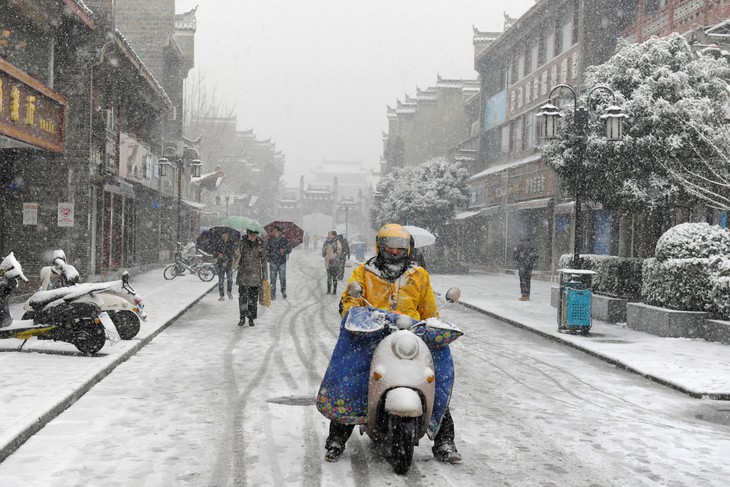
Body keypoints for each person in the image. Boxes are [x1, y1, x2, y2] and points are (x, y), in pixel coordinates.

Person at [322, 223, 461, 464]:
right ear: (379, 245)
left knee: (435, 375)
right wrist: (361, 317)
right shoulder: (363, 273)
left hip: (411, 336)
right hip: (374, 334)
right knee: (352, 374)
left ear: (407, 249)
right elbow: (348, 304)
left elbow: (429, 310)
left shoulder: (419, 275)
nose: (394, 252)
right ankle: (337, 437)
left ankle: (444, 439)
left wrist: (431, 324)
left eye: (400, 247)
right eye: (389, 246)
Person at [235, 229, 268, 327]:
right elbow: (236, 259)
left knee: (253, 299)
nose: (253, 236)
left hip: (255, 275)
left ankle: (250, 318)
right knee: (242, 298)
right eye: (251, 234)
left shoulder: (260, 243)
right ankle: (242, 317)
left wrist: (265, 274)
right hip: (243, 275)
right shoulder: (242, 243)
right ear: (248, 234)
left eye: (255, 235)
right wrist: (236, 255)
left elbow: (264, 259)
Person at [266, 226, 291, 300]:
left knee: (282, 278)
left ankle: (283, 291)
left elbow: (290, 248)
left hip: (282, 262)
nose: (273, 232)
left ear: (279, 232)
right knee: (273, 278)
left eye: (275, 230)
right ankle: (272, 293)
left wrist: (284, 250)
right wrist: (269, 257)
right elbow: (267, 250)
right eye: (272, 231)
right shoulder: (269, 240)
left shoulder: (284, 240)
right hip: (273, 261)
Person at [212, 231, 237, 301]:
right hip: (221, 263)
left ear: (228, 235)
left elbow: (233, 253)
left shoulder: (231, 243)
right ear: (222, 235)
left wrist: (232, 254)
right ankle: (222, 295)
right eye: (224, 235)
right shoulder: (218, 243)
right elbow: (214, 252)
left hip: (229, 263)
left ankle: (229, 292)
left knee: (230, 279)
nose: (225, 236)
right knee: (221, 280)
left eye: (226, 234)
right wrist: (218, 254)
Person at [513, 235, 538, 301]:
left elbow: (515, 255)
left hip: (522, 265)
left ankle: (524, 295)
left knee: (522, 279)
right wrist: (531, 261)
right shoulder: (532, 245)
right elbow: (536, 255)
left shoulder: (519, 244)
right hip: (529, 265)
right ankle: (527, 295)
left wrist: (519, 259)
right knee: (528, 279)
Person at [322, 230, 342, 295]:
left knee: (334, 277)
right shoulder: (326, 242)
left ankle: (334, 291)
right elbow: (323, 251)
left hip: (334, 261)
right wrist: (324, 255)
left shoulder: (337, 242)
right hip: (327, 262)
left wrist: (335, 256)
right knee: (329, 277)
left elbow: (339, 250)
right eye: (328, 235)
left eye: (330, 235)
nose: (328, 236)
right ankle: (328, 290)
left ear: (334, 235)